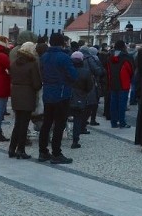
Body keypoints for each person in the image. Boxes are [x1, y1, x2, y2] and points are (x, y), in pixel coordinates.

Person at [38, 33, 77, 164]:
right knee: (59, 124)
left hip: (48, 93)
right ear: (62, 43)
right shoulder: (64, 57)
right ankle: (56, 153)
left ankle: (43, 151)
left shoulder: (44, 56)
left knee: (47, 123)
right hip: (61, 93)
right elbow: (73, 75)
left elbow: (41, 73)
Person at [8, 41, 41, 159]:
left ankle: (12, 148)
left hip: (16, 94)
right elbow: (37, 84)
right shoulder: (32, 64)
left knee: (17, 123)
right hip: (27, 95)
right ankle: (20, 150)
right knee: (24, 123)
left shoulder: (14, 63)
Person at [106, 40, 134, 129]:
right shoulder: (126, 57)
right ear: (123, 46)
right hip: (123, 83)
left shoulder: (110, 56)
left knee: (113, 103)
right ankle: (122, 122)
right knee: (122, 104)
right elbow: (131, 70)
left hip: (112, 82)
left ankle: (113, 122)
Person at [69, 51, 94, 149]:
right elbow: (89, 87)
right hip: (79, 98)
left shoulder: (67, 70)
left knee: (62, 119)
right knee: (77, 119)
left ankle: (57, 138)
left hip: (66, 97)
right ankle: (75, 141)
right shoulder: (86, 72)